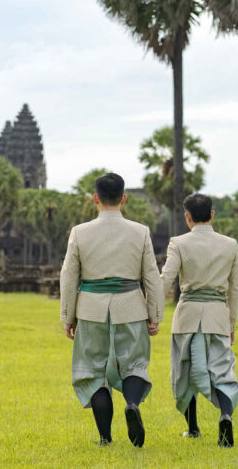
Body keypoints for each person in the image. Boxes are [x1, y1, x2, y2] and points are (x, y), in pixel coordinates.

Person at [60, 172, 163, 447]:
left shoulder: (80, 232)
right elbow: (152, 276)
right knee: (135, 366)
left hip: (91, 309)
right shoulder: (140, 231)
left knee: (93, 372)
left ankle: (105, 438)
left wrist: (67, 317)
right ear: (124, 198)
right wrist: (155, 316)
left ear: (95, 199)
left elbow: (69, 277)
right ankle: (132, 404)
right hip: (130, 306)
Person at [160, 193, 238, 447]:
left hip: (187, 315)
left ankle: (193, 428)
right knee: (222, 371)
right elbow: (235, 289)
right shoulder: (230, 244)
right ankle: (225, 415)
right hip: (217, 315)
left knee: (184, 372)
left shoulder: (179, 243)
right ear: (212, 215)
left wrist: (152, 312)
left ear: (187, 217)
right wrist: (231, 324)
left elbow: (165, 279)